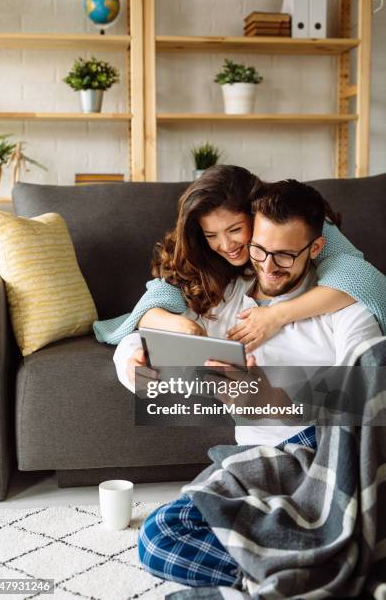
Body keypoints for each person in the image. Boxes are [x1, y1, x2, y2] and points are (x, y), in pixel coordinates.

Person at [114, 178, 382, 588]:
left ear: (315, 248)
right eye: (259, 249)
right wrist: (131, 359)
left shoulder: (343, 306)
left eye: (285, 255)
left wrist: (276, 399)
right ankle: (333, 572)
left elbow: (369, 387)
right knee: (159, 536)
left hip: (329, 450)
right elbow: (143, 332)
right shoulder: (225, 298)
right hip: (258, 463)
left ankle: (309, 572)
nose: (269, 266)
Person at [94, 166, 386, 350]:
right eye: (212, 235)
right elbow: (152, 305)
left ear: (256, 214)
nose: (226, 245)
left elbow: (361, 278)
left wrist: (275, 315)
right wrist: (185, 328)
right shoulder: (201, 253)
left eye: (235, 229)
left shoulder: (289, 221)